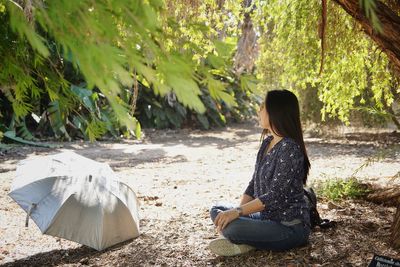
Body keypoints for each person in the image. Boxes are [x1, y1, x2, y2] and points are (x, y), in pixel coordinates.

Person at [208, 89, 311, 256]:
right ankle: (252, 240)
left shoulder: (290, 148)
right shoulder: (268, 142)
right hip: (265, 218)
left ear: (276, 112)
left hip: (289, 227)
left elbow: (274, 196)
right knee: (217, 209)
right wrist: (237, 213)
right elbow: (253, 184)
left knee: (233, 227)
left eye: (263, 106)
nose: (259, 110)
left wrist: (237, 214)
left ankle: (246, 240)